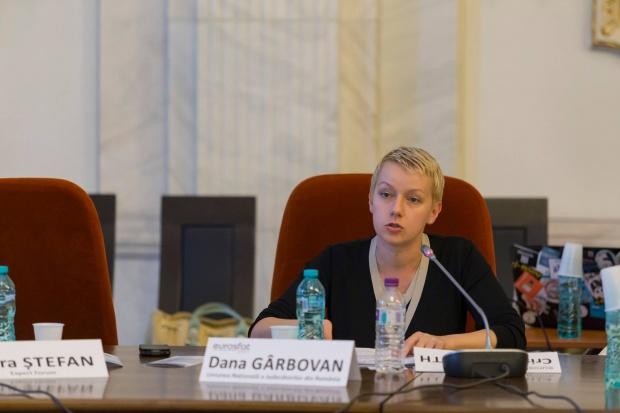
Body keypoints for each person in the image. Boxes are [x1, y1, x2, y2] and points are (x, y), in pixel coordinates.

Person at [249, 146, 526, 353]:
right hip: (352, 400)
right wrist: (306, 328)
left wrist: (445, 343)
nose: (396, 209)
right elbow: (258, 329)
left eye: (413, 199)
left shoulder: (457, 258)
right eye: (386, 194)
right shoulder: (336, 261)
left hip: (433, 400)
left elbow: (511, 332)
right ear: (371, 201)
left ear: (434, 211)